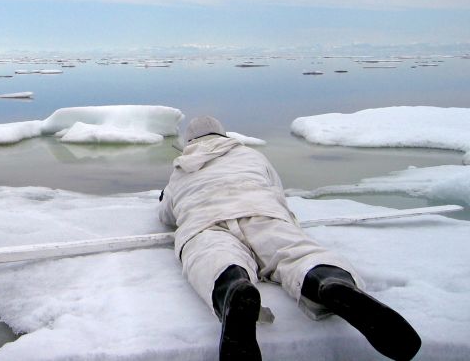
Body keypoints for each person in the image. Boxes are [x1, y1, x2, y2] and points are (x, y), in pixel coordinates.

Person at [157, 116, 421, 361]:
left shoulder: (181, 168)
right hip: (262, 210)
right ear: (223, 135)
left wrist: (166, 196)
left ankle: (233, 288)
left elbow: (167, 215)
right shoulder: (250, 155)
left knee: (212, 256)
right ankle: (328, 282)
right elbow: (276, 189)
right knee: (295, 251)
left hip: (206, 220)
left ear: (190, 142)